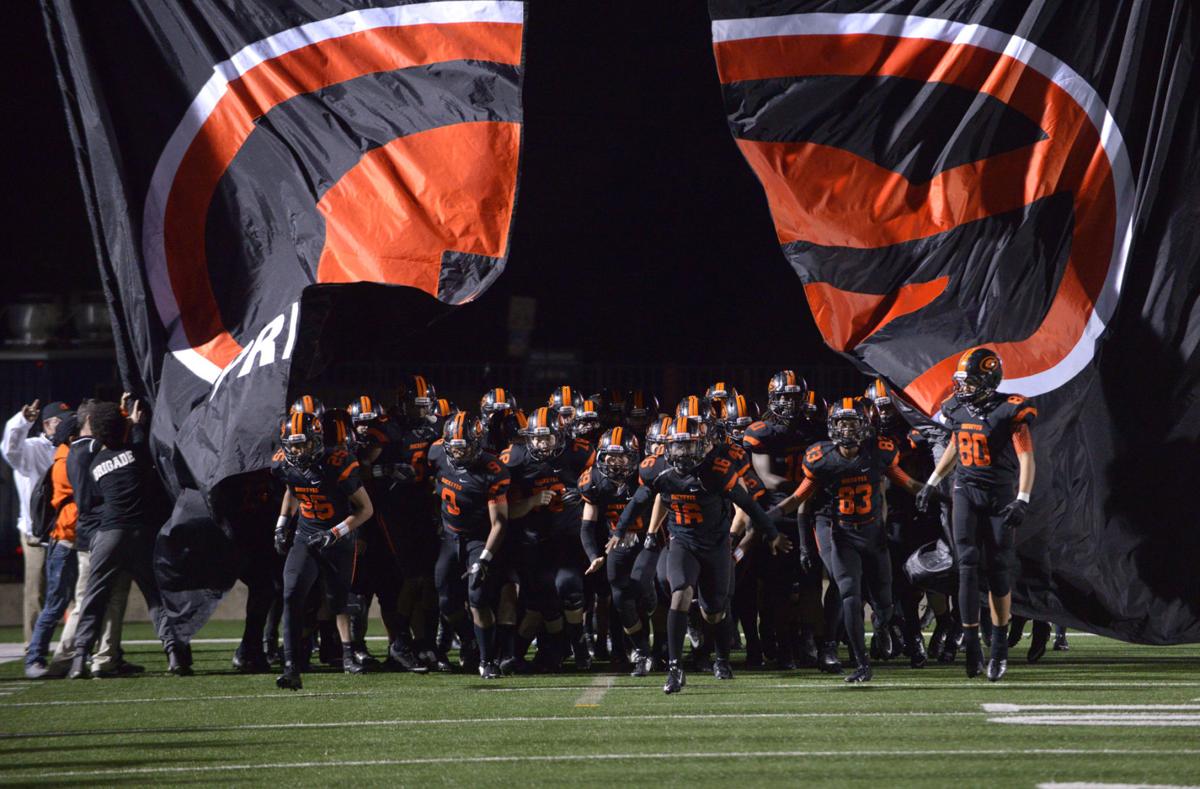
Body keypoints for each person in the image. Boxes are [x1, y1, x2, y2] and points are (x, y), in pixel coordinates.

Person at [615, 416, 791, 694]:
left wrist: (771, 533)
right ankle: (675, 670)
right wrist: (619, 531)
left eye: (689, 446)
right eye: (678, 446)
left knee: (713, 612)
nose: (683, 452)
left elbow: (748, 504)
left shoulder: (717, 470)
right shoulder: (659, 470)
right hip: (682, 541)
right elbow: (640, 500)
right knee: (680, 593)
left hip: (716, 545)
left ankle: (721, 658)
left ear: (704, 445)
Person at [772, 397, 933, 682]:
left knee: (884, 604)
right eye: (841, 424)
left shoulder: (878, 452)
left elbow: (907, 482)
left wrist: (936, 492)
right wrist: (768, 516)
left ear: (864, 425)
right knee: (849, 594)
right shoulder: (822, 458)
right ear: (832, 427)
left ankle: (883, 628)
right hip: (842, 534)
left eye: (852, 423)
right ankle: (861, 663)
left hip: (873, 536)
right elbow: (799, 498)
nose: (846, 430)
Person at [917, 347, 1037, 682]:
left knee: (998, 571)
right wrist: (932, 481)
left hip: (999, 496)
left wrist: (1022, 499)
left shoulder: (1008, 409)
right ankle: (971, 644)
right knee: (966, 566)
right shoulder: (956, 407)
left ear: (987, 380)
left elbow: (1026, 458)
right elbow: (956, 443)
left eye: (970, 381)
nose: (963, 387)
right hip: (965, 491)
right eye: (962, 381)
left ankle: (998, 649)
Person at [69, 400, 186, 679]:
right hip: (142, 535)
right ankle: (175, 655)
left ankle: (78, 661)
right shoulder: (138, 454)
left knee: (93, 600)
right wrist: (134, 424)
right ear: (123, 429)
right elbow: (137, 448)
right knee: (157, 598)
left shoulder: (96, 462)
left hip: (109, 535)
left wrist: (125, 426)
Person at [273, 410, 375, 689]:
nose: (297, 449)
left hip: (338, 539)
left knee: (337, 603)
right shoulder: (284, 463)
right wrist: (282, 524)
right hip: (306, 537)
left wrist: (335, 533)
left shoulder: (337, 463)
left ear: (316, 440)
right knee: (291, 592)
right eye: (292, 444)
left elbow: (366, 509)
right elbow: (293, 490)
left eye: (302, 443)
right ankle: (292, 668)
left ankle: (351, 610)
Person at [427, 412, 511, 678]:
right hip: (450, 537)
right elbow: (430, 484)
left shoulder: (493, 471)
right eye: (454, 447)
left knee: (477, 598)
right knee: (446, 600)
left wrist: (485, 557)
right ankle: (468, 639)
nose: (458, 454)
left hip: (477, 539)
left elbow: (499, 522)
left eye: (464, 447)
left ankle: (487, 661)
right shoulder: (438, 453)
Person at [579, 427, 657, 676]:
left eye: (622, 456)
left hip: (650, 540)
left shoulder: (645, 475)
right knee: (621, 598)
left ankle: (663, 647)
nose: (615, 462)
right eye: (610, 457)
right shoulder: (593, 480)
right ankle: (642, 651)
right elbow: (586, 527)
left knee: (644, 592)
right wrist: (594, 556)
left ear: (633, 456)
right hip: (617, 546)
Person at [3, 399, 69, 645]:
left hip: (65, 530)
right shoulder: (31, 448)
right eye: (60, 422)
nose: (65, 426)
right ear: (47, 424)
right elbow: (9, 448)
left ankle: (73, 645)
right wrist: (22, 422)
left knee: (70, 588)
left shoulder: (69, 447)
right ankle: (34, 645)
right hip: (35, 533)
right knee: (36, 591)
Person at [24, 414, 80, 678]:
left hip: (71, 538)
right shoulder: (66, 461)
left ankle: (76, 655)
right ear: (72, 437)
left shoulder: (65, 456)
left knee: (68, 602)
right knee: (56, 603)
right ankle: (34, 658)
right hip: (66, 539)